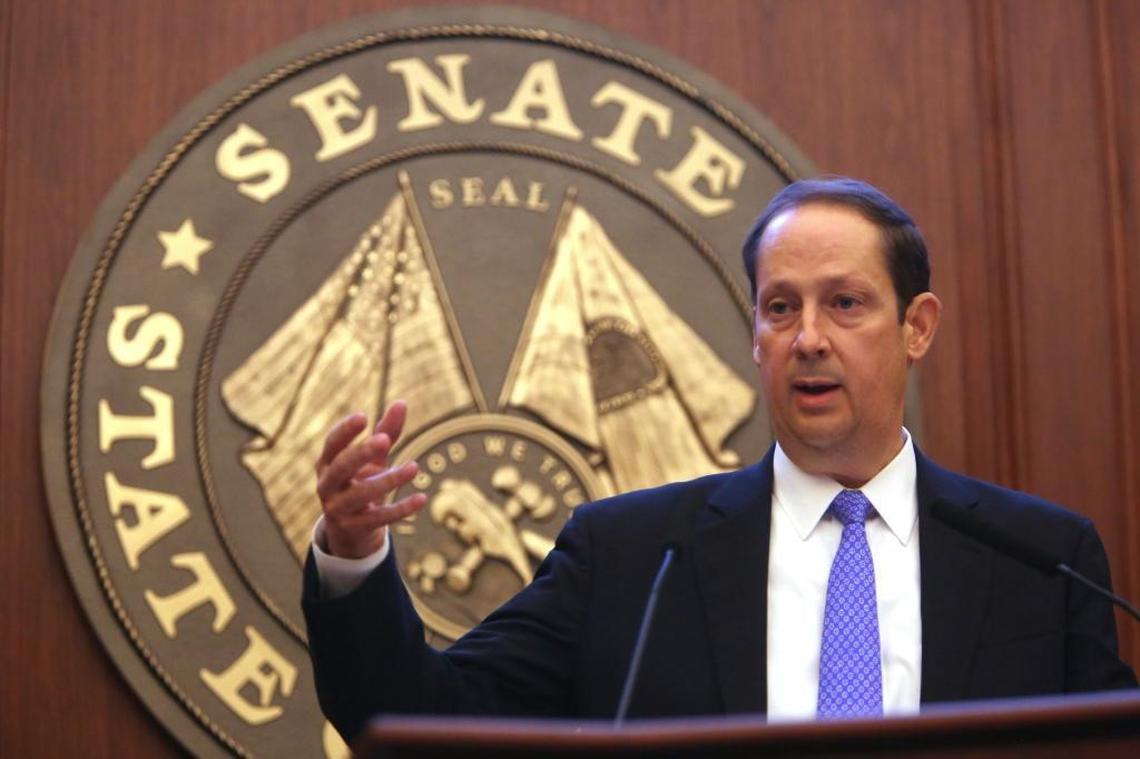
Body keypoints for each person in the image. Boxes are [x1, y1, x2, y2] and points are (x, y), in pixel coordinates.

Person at [302, 177, 1137, 744]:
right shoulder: (630, 556)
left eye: (844, 303)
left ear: (917, 326)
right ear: (755, 334)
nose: (808, 337)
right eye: (782, 307)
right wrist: (351, 556)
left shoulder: (1044, 562)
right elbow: (413, 717)